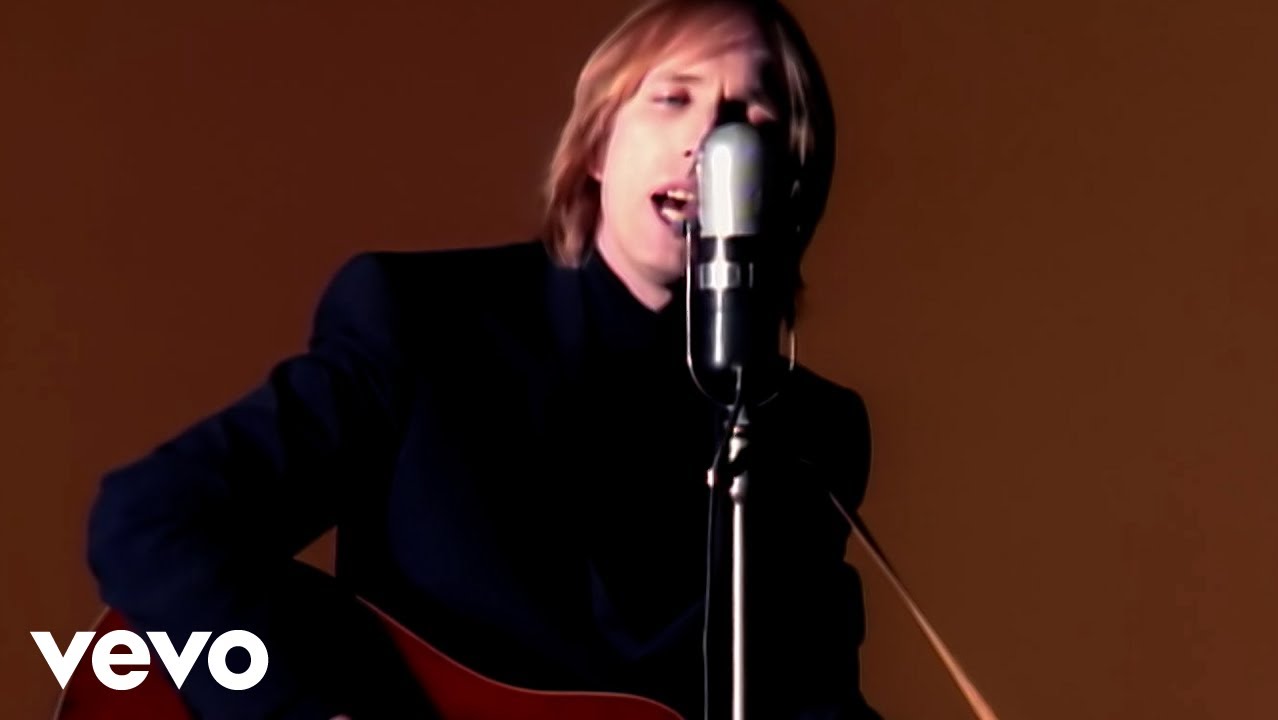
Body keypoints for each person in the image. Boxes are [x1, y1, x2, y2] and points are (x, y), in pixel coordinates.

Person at [86, 0, 880, 718]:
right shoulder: (425, 323)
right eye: (673, 98)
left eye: (753, 118)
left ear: (790, 183)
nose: (710, 140)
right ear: (597, 145)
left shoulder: (811, 436)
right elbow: (149, 522)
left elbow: (811, 701)